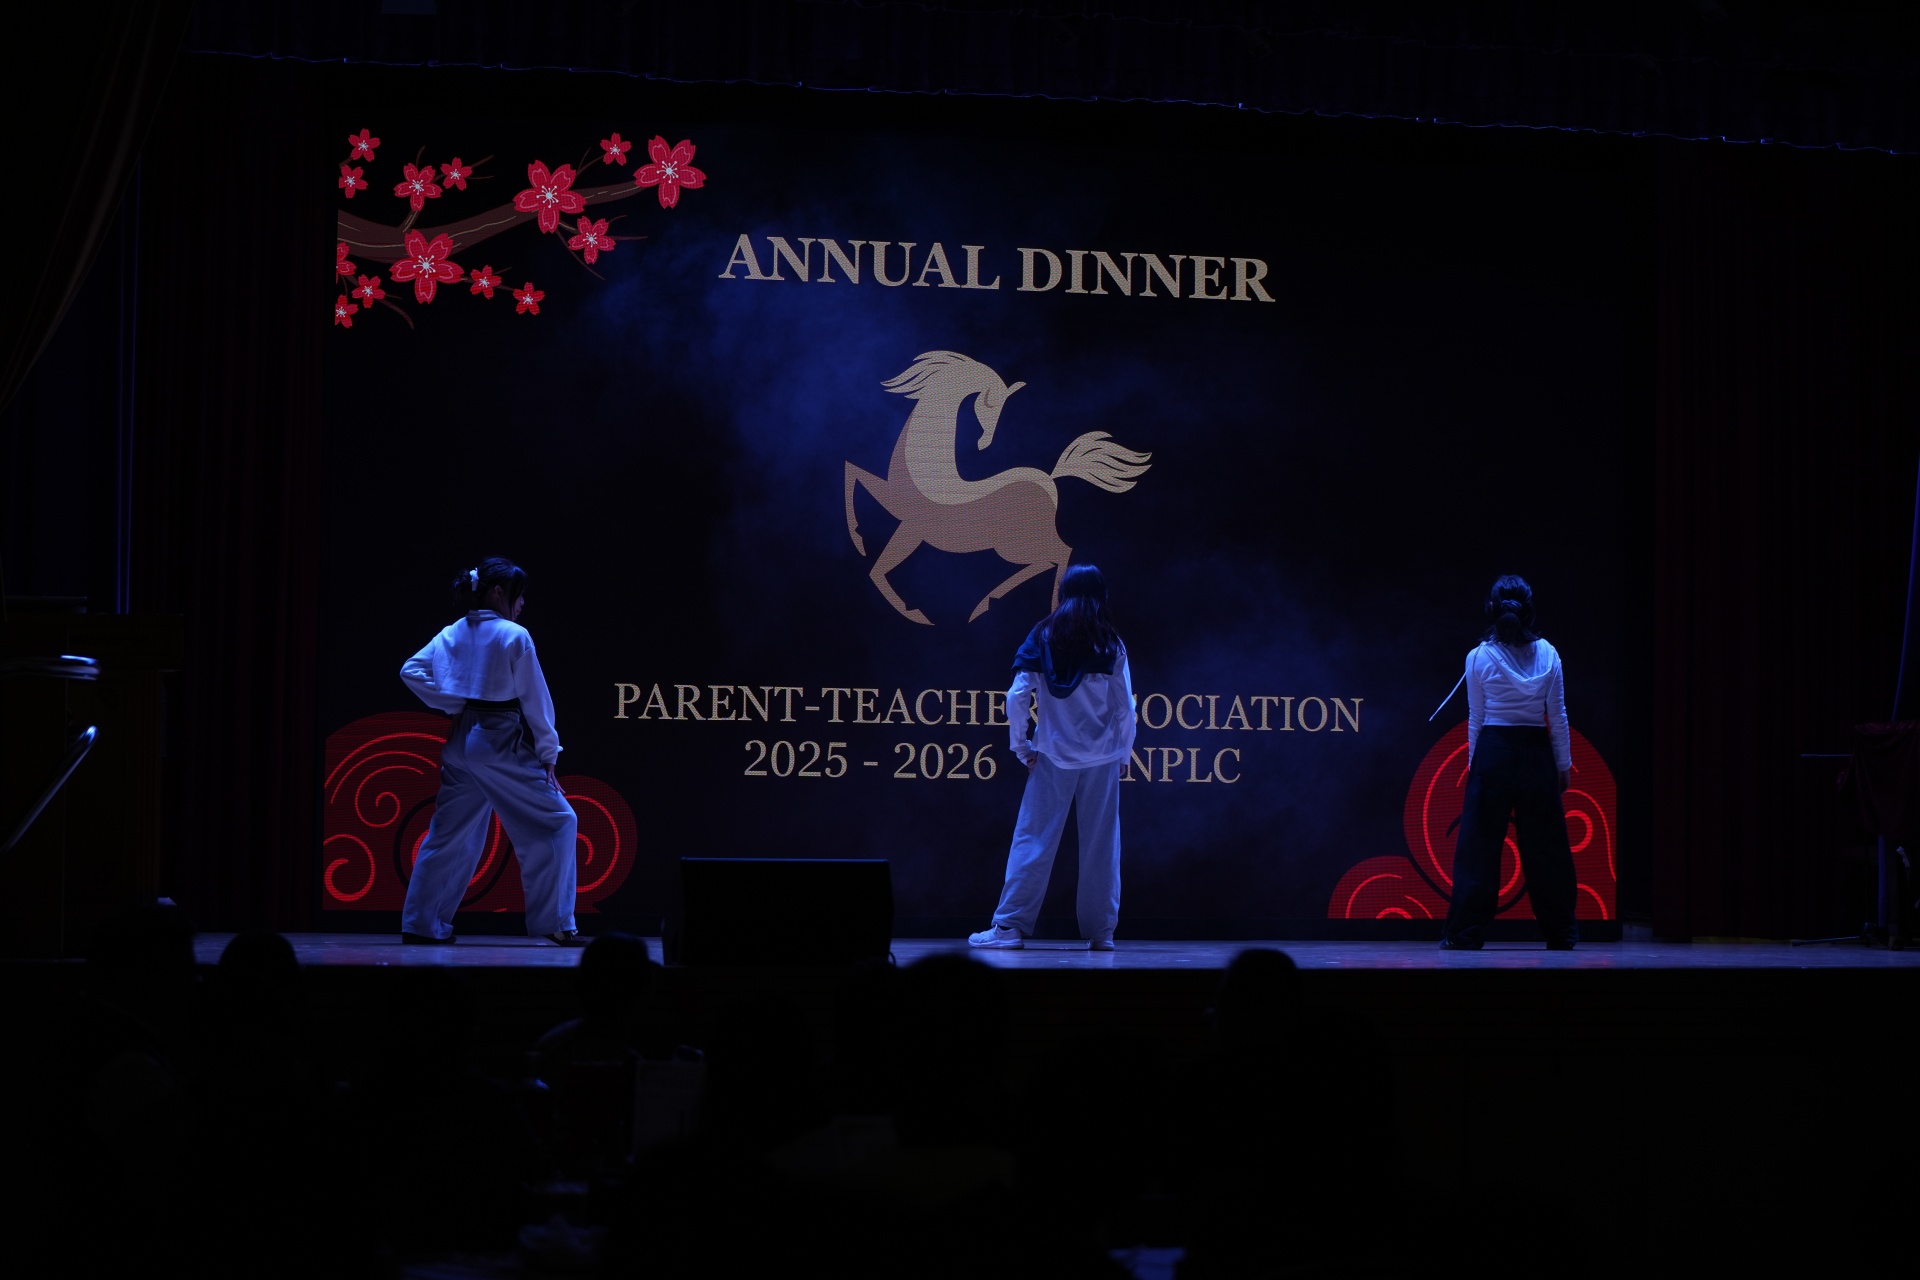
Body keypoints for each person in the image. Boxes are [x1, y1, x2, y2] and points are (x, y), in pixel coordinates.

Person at [398, 557, 585, 946]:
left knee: (450, 835)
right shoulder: (513, 635)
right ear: (499, 592)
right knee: (558, 820)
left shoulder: (452, 632)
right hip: (496, 739)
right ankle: (556, 922)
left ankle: (421, 924)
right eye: (518, 594)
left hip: (460, 741)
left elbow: (410, 670)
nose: (522, 603)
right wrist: (548, 752)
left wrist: (455, 703)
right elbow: (535, 699)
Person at [969, 564, 1136, 952]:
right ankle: (1102, 932)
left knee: (1033, 839)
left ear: (1063, 593)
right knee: (1102, 845)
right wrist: (1124, 752)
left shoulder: (1043, 635)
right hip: (1102, 757)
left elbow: (1016, 696)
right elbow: (1125, 708)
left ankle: (1009, 927)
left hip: (1052, 755)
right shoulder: (1110, 642)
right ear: (1101, 595)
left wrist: (1021, 746)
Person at [1441, 575, 1578, 950]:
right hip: (1536, 756)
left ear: (1492, 609)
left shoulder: (1477, 656)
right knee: (1547, 848)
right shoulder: (1549, 653)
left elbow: (1476, 717)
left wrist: (1476, 767)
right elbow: (1558, 716)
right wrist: (1562, 765)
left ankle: (1465, 934)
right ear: (1529, 611)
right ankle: (1561, 932)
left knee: (1479, 847)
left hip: (1494, 752)